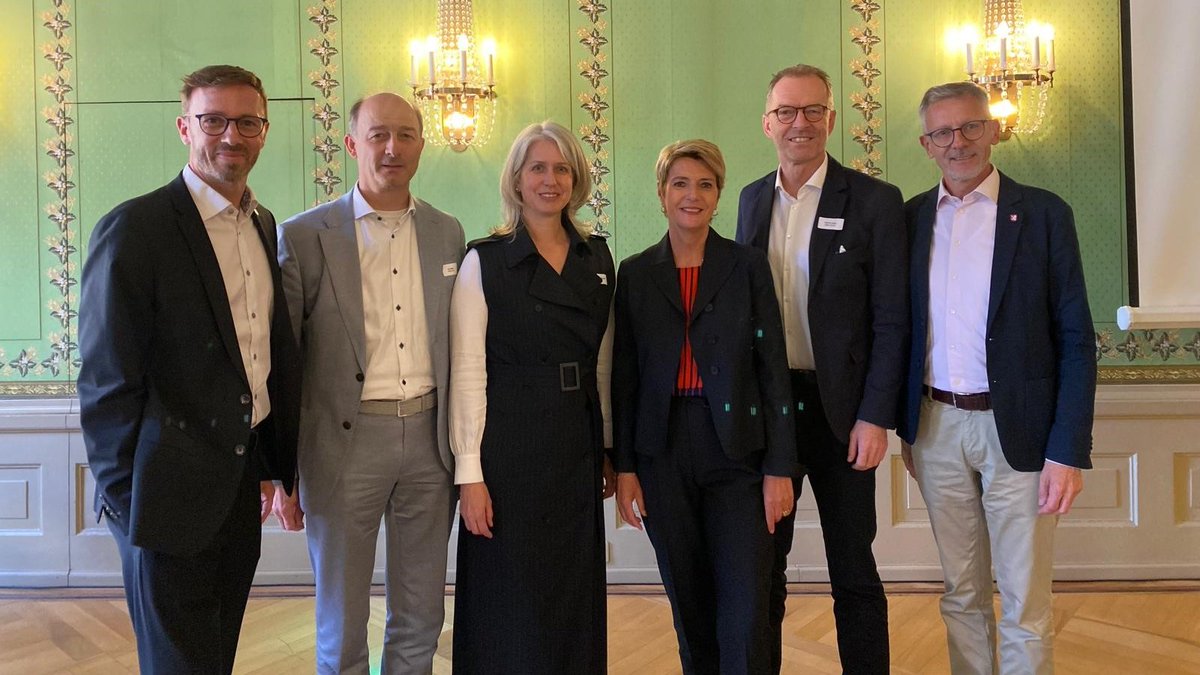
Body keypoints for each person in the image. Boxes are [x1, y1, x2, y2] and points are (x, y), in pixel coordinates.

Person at [77, 64, 300, 674]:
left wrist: (275, 467)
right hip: (164, 489)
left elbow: (260, 356)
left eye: (247, 122)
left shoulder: (262, 223)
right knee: (177, 662)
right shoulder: (137, 227)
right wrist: (126, 497)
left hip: (236, 486)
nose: (232, 135)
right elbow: (105, 378)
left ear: (264, 131)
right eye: (214, 120)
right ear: (185, 127)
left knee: (216, 652)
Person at [898, 81, 1096, 674]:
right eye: (942, 132)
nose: (957, 142)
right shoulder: (908, 221)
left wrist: (1067, 452)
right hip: (935, 430)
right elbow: (897, 329)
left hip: (1024, 434)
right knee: (961, 595)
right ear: (926, 144)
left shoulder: (1042, 214)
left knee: (1024, 600)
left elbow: (1076, 339)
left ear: (993, 129)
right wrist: (907, 428)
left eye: (970, 127)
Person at [274, 92, 464, 674]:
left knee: (421, 614)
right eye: (378, 134)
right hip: (342, 445)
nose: (392, 148)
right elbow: (283, 363)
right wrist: (282, 471)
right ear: (353, 145)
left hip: (431, 445)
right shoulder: (305, 235)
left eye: (406, 135)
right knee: (342, 619)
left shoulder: (447, 233)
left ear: (421, 147)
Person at [735, 63, 907, 674]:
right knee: (764, 571)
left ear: (831, 119)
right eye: (786, 112)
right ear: (767, 123)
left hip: (843, 420)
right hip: (769, 418)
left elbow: (892, 321)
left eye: (812, 111)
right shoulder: (751, 199)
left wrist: (874, 415)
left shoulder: (874, 202)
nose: (799, 123)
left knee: (853, 572)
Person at [614, 139, 799, 675]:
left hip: (739, 452)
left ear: (718, 196)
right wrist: (625, 467)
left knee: (745, 605)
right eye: (680, 183)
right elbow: (625, 379)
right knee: (689, 604)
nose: (692, 195)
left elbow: (773, 370)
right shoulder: (636, 273)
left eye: (705, 184)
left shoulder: (746, 266)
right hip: (662, 453)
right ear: (661, 193)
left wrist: (780, 467)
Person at [449, 120, 616, 673]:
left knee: (572, 587)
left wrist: (610, 449)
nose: (551, 179)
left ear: (577, 179)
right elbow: (469, 371)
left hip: (575, 440)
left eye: (562, 168)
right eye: (537, 168)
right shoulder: (485, 262)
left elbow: (604, 364)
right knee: (509, 589)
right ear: (516, 181)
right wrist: (469, 473)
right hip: (508, 447)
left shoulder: (597, 259)